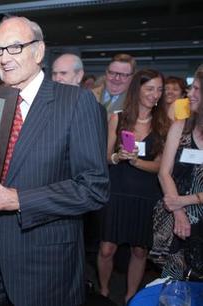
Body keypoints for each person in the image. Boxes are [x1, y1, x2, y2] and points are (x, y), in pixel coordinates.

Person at [0, 16, 109, 306]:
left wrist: (19, 199)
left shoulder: (75, 102)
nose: (4, 58)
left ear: (38, 51)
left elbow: (93, 188)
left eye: (14, 47)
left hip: (44, 264)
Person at [97, 69, 171, 303]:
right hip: (117, 190)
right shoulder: (117, 118)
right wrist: (119, 156)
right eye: (150, 88)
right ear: (137, 89)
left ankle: (130, 295)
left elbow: (161, 166)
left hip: (146, 194)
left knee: (140, 250)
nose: (155, 94)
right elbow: (105, 157)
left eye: (159, 89)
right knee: (107, 248)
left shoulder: (164, 124)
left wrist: (136, 161)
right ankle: (104, 291)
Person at [157, 70, 203, 280]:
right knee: (176, 281)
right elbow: (164, 172)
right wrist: (179, 213)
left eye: (196, 89)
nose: (190, 93)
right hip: (178, 221)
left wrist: (181, 201)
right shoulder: (181, 125)